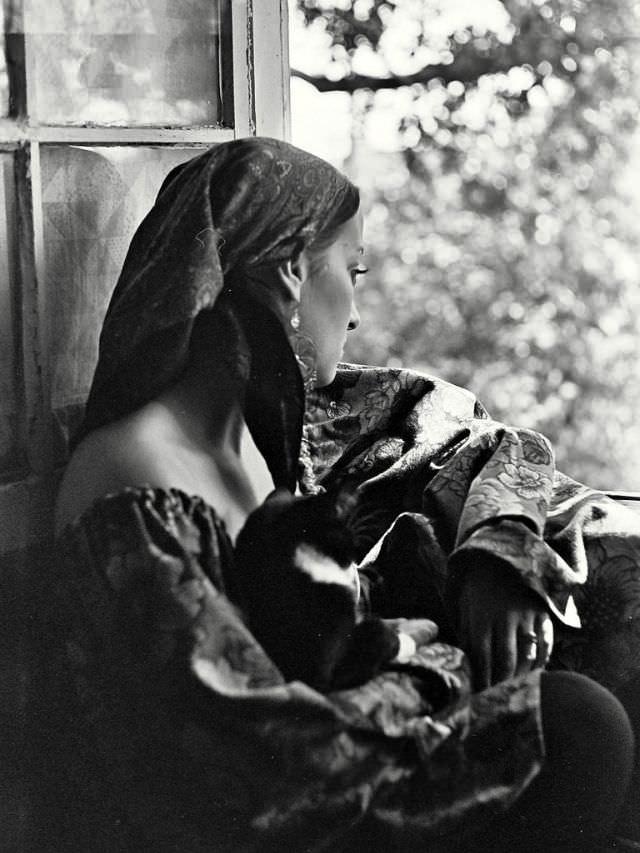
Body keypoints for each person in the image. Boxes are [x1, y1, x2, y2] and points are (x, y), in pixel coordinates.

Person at [45, 137, 636, 853]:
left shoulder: (297, 432)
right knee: (577, 723)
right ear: (293, 269)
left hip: (350, 755)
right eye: (351, 273)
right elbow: (256, 752)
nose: (354, 314)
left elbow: (488, 440)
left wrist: (499, 545)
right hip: (284, 809)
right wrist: (434, 664)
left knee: (592, 714)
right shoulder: (133, 475)